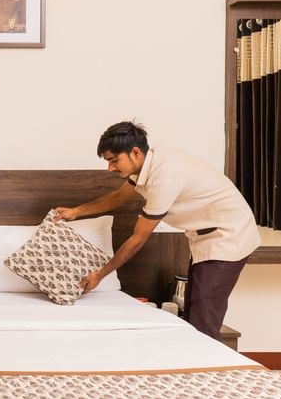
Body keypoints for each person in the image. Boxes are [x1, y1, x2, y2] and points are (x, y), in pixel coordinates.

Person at [54, 121, 260, 341]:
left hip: (229, 235)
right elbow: (118, 197)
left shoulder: (164, 178)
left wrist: (100, 275)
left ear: (135, 152)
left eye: (114, 160)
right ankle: (192, 357)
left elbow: (137, 240)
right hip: (206, 236)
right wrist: (76, 211)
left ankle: (206, 362)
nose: (110, 168)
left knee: (204, 315)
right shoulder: (148, 163)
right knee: (194, 310)